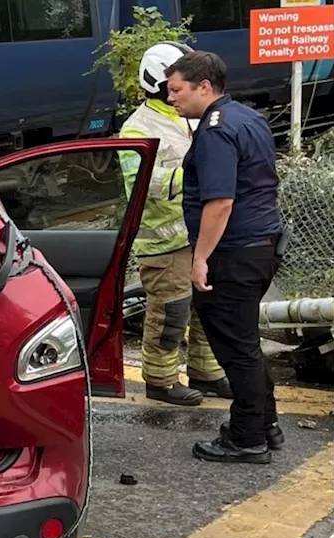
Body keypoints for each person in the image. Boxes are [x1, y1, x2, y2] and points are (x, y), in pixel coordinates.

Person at [165, 50, 286, 464]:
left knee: (236, 348)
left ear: (203, 86)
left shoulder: (215, 130)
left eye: (177, 89)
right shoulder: (247, 117)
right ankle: (263, 424)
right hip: (262, 246)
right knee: (245, 343)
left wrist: (200, 259)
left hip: (232, 253)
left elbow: (220, 202)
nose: (171, 98)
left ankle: (248, 437)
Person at [118, 42, 230, 407]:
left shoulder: (192, 115)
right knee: (170, 314)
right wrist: (200, 174)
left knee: (207, 308)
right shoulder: (136, 130)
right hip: (166, 243)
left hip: (201, 236)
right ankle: (161, 380)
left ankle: (206, 372)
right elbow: (144, 184)